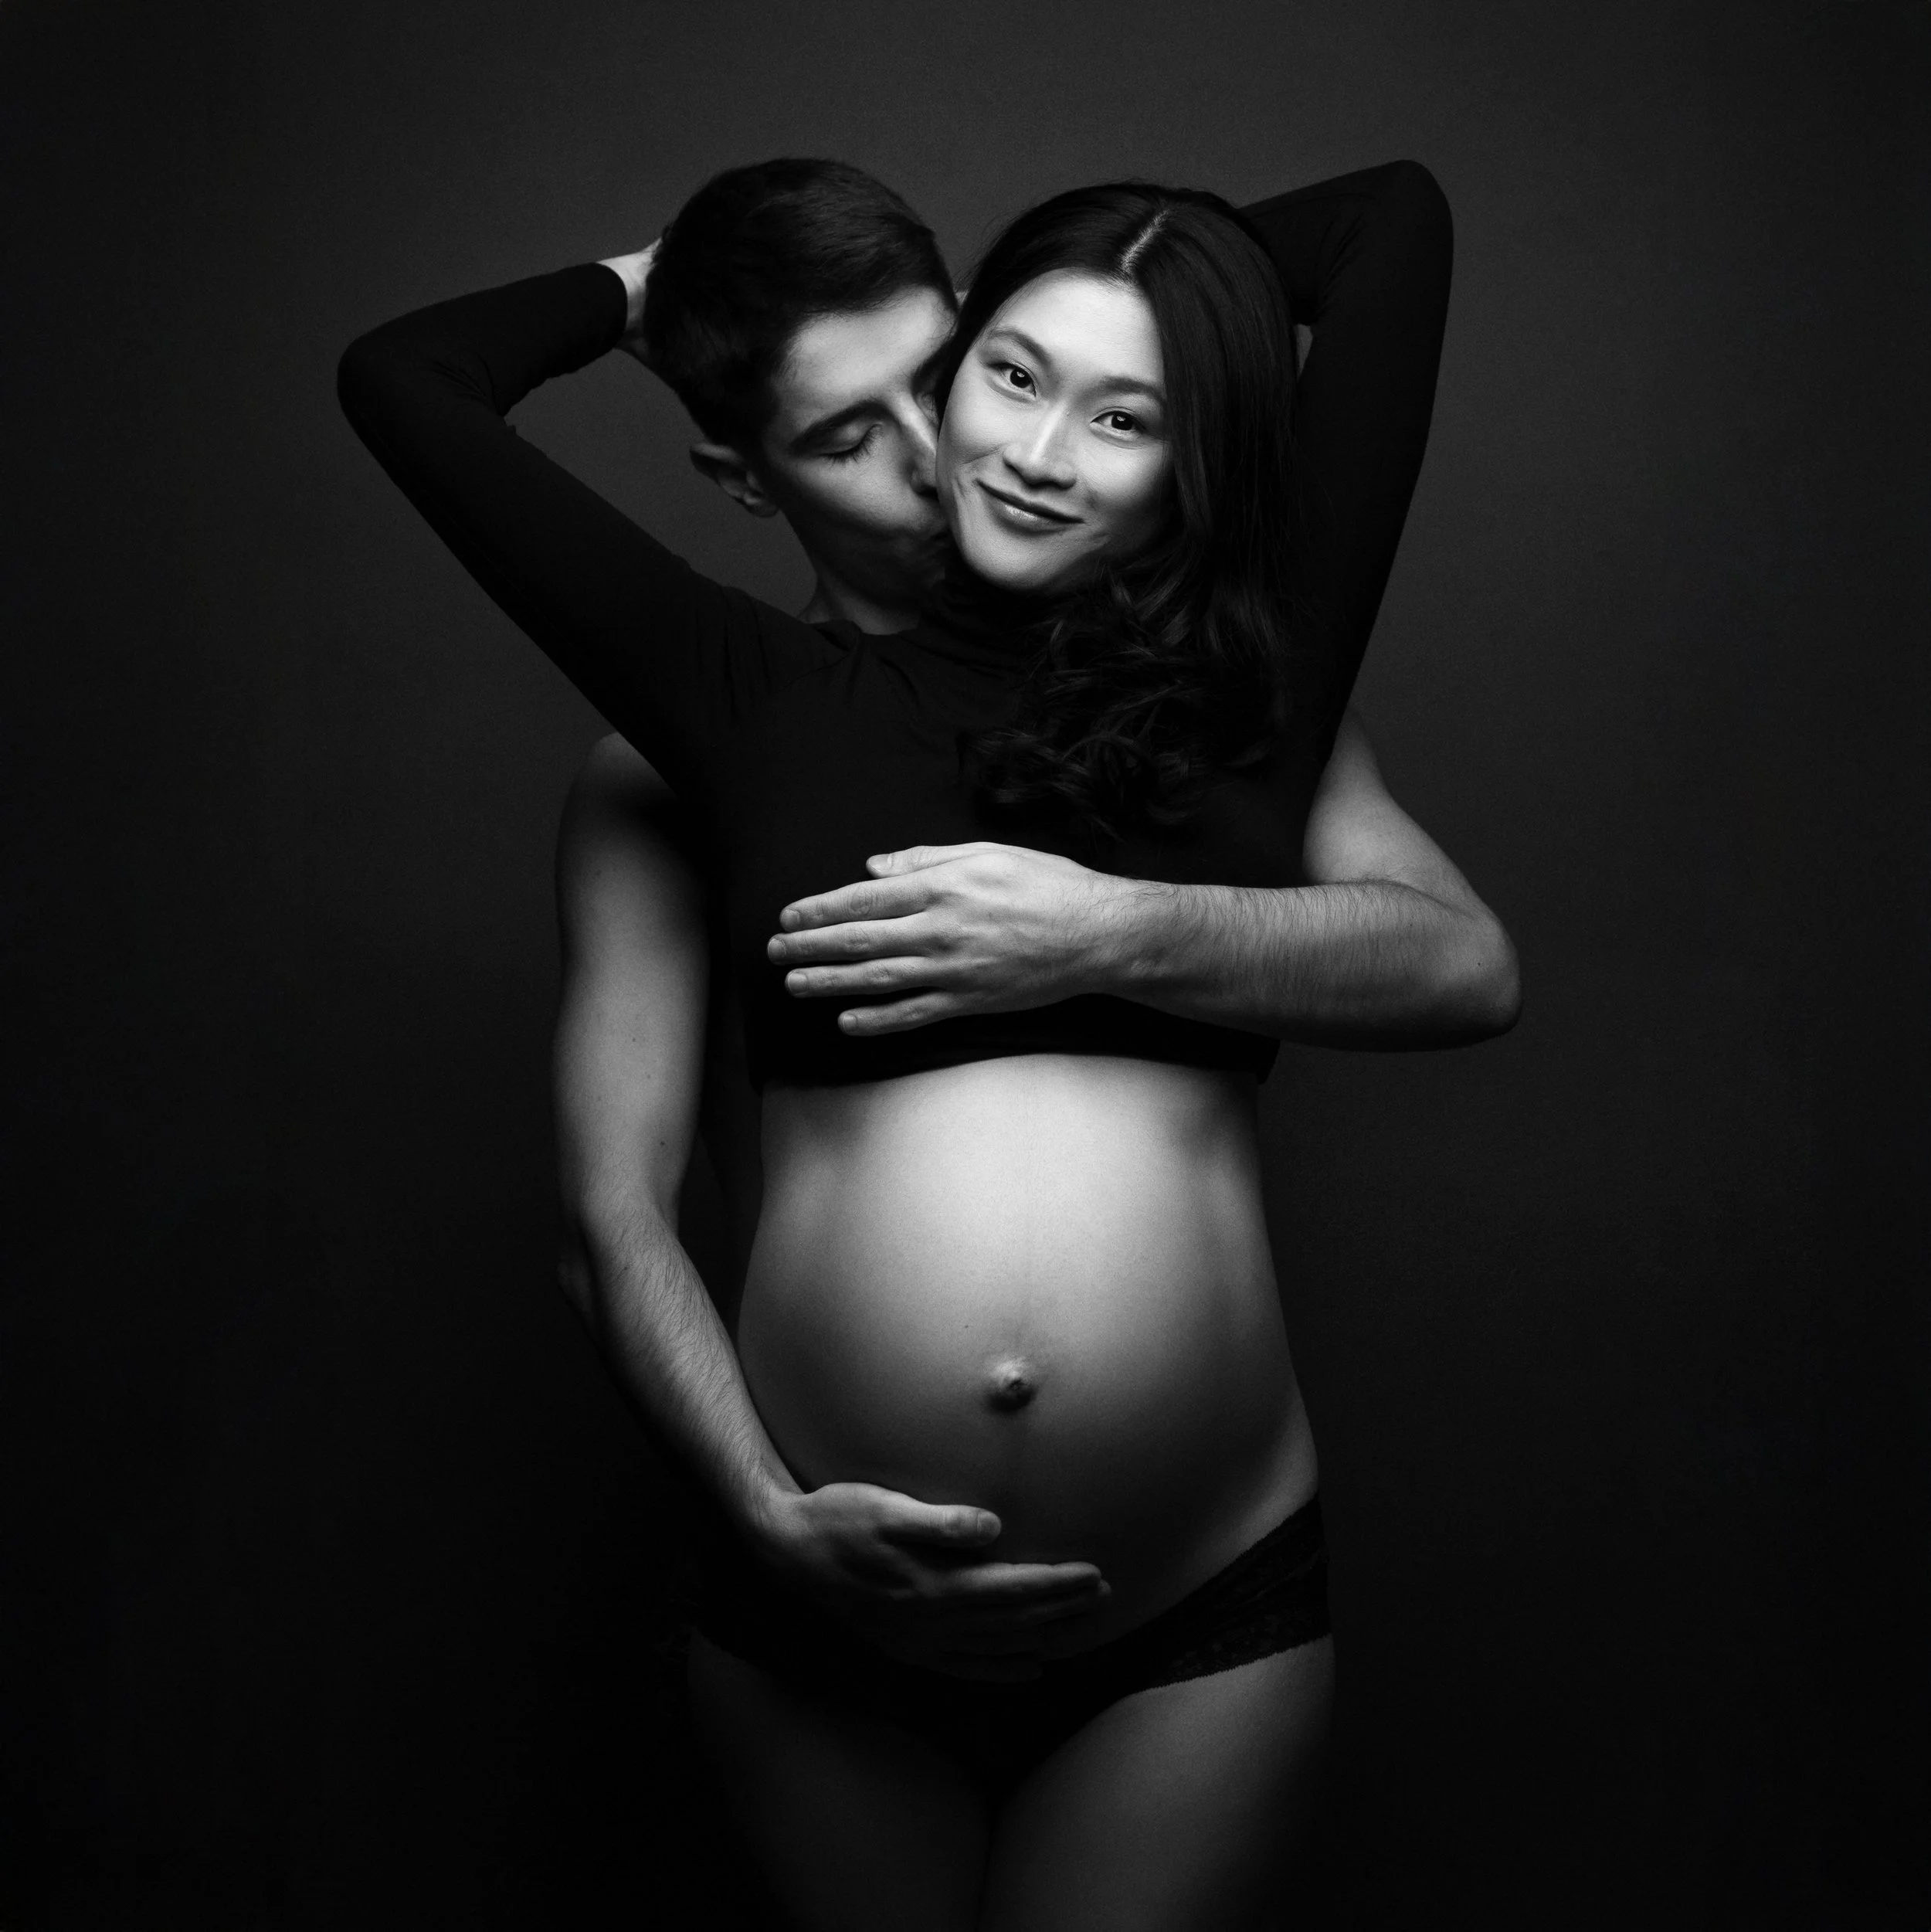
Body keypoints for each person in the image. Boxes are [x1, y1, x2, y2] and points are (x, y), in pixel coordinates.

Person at [341, 155, 1517, 1930]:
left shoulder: (1240, 685)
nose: (1014, 447)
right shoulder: (732, 707)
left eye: (1114, 410)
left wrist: (1101, 924)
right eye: (1011, 379)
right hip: (825, 1608)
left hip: (1194, 1599)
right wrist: (666, 279)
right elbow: (406, 383)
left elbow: (1395, 223)